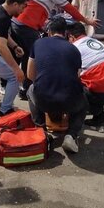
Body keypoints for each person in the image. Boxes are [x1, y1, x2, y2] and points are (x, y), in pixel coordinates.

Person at [10, 0, 100, 100]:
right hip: (26, 25)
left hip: (18, 22)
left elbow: (35, 7)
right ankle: (29, 89)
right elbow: (68, 8)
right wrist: (87, 21)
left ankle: (14, 85)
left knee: (21, 55)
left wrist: (41, 25)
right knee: (33, 57)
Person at [27, 17, 88, 154]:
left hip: (44, 100)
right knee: (83, 98)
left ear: (49, 31)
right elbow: (76, 77)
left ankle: (40, 129)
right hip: (70, 102)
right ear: (65, 33)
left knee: (31, 88)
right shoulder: (74, 49)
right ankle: (71, 135)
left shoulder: (38, 43)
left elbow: (30, 75)